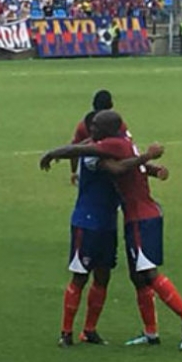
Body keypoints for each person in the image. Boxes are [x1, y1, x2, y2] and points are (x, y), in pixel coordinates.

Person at [40, 110, 182, 351]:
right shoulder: (123, 142)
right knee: (137, 277)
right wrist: (152, 167)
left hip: (138, 216)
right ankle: (149, 334)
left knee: (147, 273)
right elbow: (115, 158)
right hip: (117, 218)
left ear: (108, 129)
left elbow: (110, 165)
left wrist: (52, 153)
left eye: (96, 126)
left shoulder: (111, 145)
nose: (91, 130)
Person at [56, 112, 123, 347]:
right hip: (86, 222)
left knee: (103, 276)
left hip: (107, 222)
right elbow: (116, 168)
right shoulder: (93, 154)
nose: (91, 129)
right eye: (91, 125)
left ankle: (90, 330)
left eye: (96, 125)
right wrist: (145, 158)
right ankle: (66, 332)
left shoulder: (106, 147)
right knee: (80, 276)